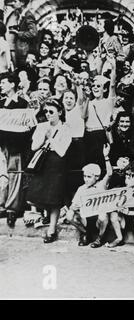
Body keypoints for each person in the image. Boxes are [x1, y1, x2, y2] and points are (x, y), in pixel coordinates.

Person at [26, 99, 72, 243]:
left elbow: (62, 152)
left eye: (51, 112)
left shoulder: (66, 128)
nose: (48, 114)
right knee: (39, 194)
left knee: (55, 199)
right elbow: (34, 147)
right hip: (42, 164)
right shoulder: (41, 126)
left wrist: (51, 138)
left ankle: (52, 229)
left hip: (57, 165)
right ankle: (45, 217)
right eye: (45, 111)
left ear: (60, 112)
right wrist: (43, 136)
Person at [0, 73, 31, 228]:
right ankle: (2, 204)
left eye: (4, 82)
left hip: (17, 146)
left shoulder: (23, 103)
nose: (1, 85)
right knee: (4, 176)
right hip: (2, 146)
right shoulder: (0, 103)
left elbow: (27, 126)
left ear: (12, 84)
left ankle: (12, 209)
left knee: (15, 176)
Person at [65, 153, 112, 247]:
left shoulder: (101, 185)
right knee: (69, 215)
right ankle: (86, 233)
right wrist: (72, 208)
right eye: (84, 176)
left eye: (89, 177)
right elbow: (73, 205)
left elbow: (109, 174)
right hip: (85, 219)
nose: (86, 179)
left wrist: (106, 157)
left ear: (97, 177)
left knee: (103, 216)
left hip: (98, 219)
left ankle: (99, 238)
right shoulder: (81, 188)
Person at [8, 0, 38, 69]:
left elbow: (33, 33)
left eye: (15, 1)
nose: (13, 3)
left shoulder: (28, 15)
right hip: (22, 51)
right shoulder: (22, 15)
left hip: (24, 52)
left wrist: (18, 33)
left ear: (22, 3)